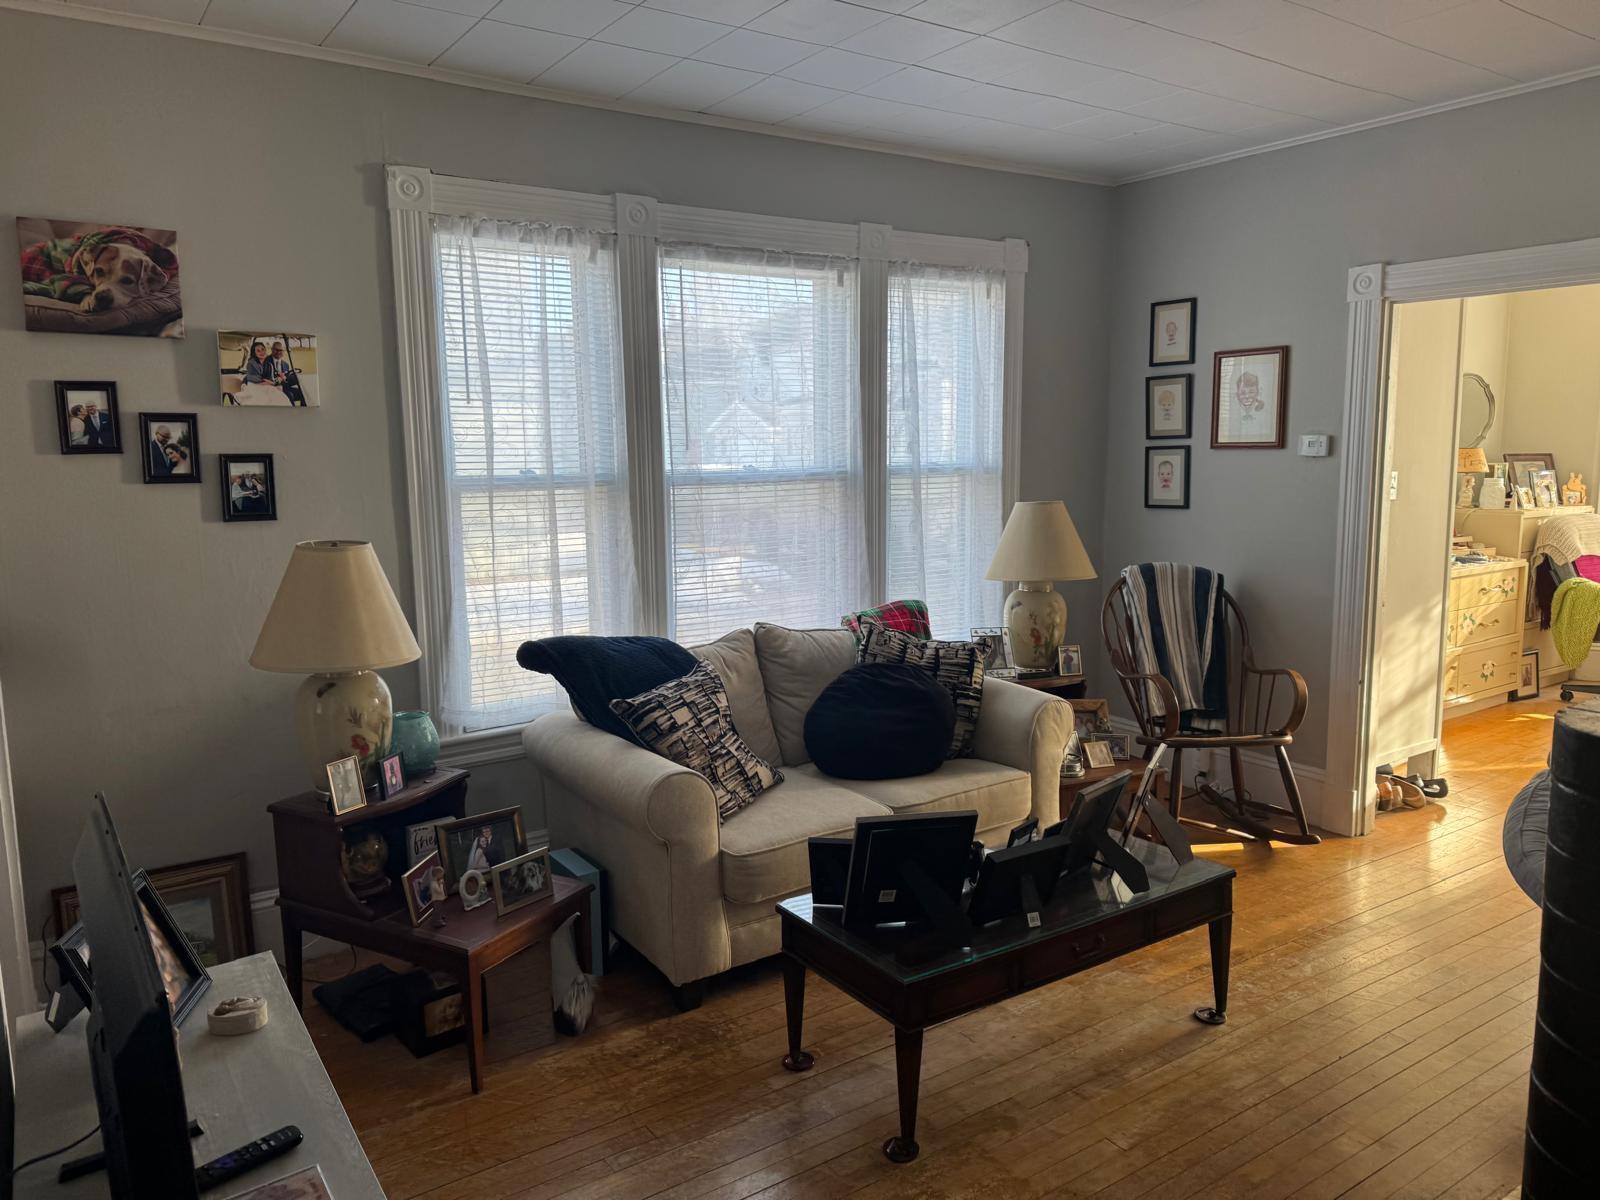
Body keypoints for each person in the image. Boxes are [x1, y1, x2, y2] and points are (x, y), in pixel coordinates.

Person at [267, 340, 308, 406]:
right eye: (276, 350)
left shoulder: (285, 364)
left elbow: (286, 381)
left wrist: (289, 378)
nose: (278, 352)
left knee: (302, 392)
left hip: (284, 387)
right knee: (290, 395)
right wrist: (279, 379)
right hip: (271, 389)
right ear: (272, 350)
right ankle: (292, 414)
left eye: (280, 350)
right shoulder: (266, 361)